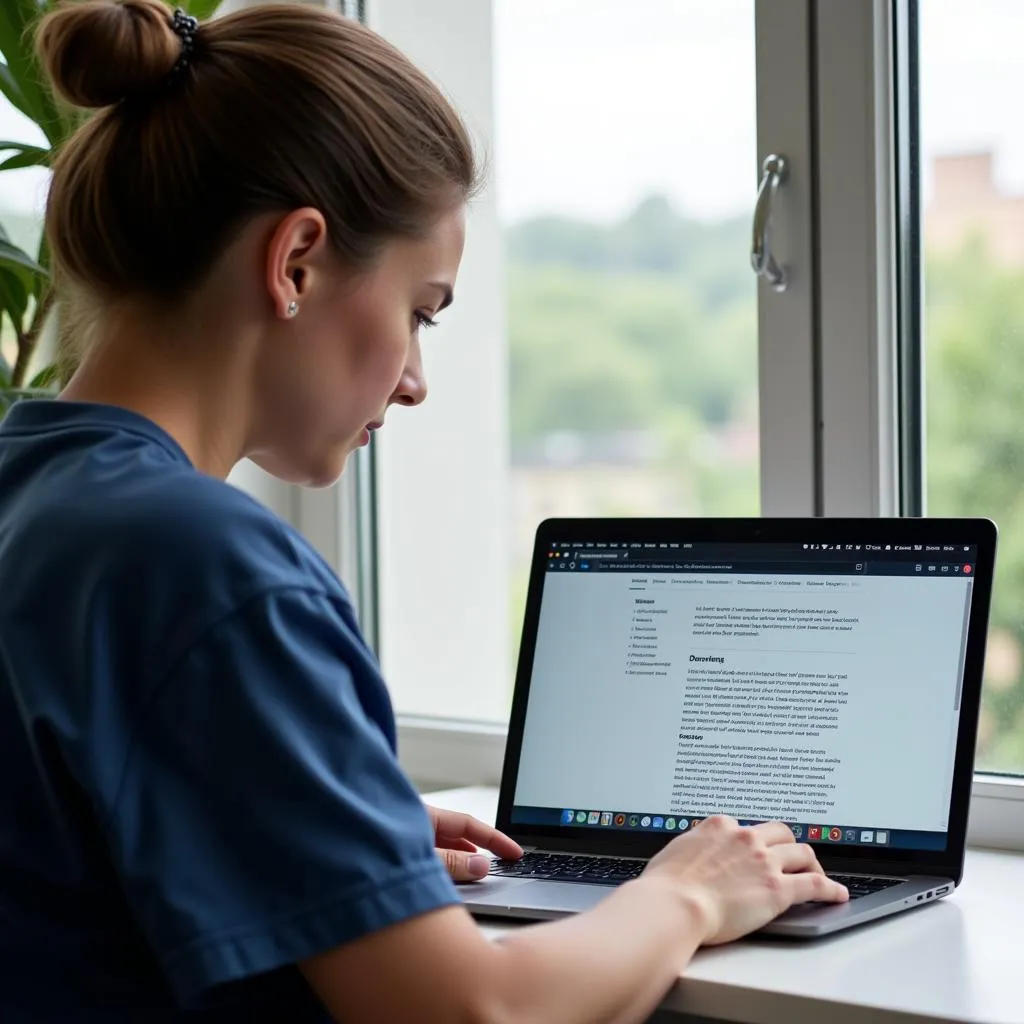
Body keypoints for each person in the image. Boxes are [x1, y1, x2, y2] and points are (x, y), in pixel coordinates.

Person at [0, 1, 848, 1020]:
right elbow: (471, 1014)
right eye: (419, 311)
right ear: (295, 262)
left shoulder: (36, 491)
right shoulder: (208, 563)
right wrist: (684, 890)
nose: (414, 380)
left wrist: (333, 841)